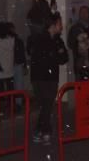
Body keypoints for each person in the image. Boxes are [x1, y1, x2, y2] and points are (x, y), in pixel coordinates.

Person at [27, 13, 68, 144]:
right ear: (53, 25)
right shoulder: (41, 40)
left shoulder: (57, 40)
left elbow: (63, 58)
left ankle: (41, 131)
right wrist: (55, 55)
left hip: (47, 77)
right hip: (43, 78)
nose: (61, 26)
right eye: (59, 23)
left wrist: (56, 55)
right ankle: (45, 131)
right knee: (46, 105)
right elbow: (45, 58)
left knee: (46, 105)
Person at [67, 6, 89, 80]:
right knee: (80, 85)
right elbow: (70, 44)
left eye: (86, 12)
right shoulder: (75, 28)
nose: (84, 14)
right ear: (79, 14)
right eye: (82, 12)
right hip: (79, 62)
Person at [8, 22, 27, 110]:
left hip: (11, 64)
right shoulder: (17, 40)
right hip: (17, 63)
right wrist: (24, 64)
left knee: (13, 85)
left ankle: (14, 103)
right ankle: (18, 102)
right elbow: (22, 53)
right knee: (18, 84)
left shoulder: (7, 40)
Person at [0, 22, 15, 95]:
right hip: (9, 68)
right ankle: (11, 104)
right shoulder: (12, 40)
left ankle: (1, 105)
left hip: (0, 69)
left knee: (0, 91)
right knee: (10, 89)